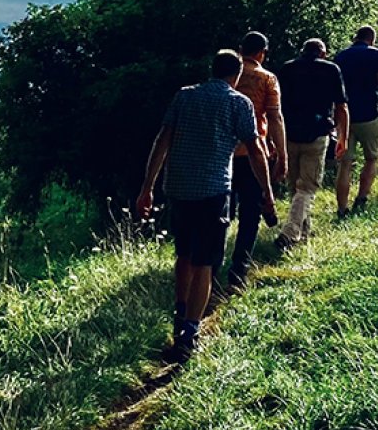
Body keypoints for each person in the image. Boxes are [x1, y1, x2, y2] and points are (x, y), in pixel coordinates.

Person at [137, 49, 275, 361]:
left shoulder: (184, 97)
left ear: (212, 70)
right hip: (213, 191)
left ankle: (179, 314)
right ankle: (190, 331)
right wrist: (266, 191)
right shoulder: (239, 103)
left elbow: (162, 141)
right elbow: (255, 150)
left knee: (184, 255)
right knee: (205, 263)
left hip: (179, 188)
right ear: (236, 75)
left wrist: (147, 188)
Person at [224, 31, 286, 290]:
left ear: (241, 49)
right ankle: (238, 270)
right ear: (262, 53)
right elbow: (275, 118)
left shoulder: (227, 75)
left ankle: (210, 263)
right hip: (253, 152)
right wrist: (282, 155)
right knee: (249, 215)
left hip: (223, 153)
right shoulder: (267, 78)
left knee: (223, 212)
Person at [274, 38, 349, 249]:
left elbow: (276, 106)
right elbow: (341, 106)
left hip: (289, 133)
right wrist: (342, 137)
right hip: (317, 134)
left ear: (302, 51)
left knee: (294, 187)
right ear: (323, 53)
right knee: (307, 187)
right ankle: (289, 234)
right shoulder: (331, 69)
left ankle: (302, 235)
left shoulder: (287, 69)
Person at [333, 25, 378, 217]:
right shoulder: (375, 55)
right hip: (368, 114)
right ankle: (361, 198)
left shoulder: (340, 57)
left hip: (345, 116)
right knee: (371, 158)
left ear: (355, 38)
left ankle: (342, 209)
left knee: (345, 163)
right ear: (372, 39)